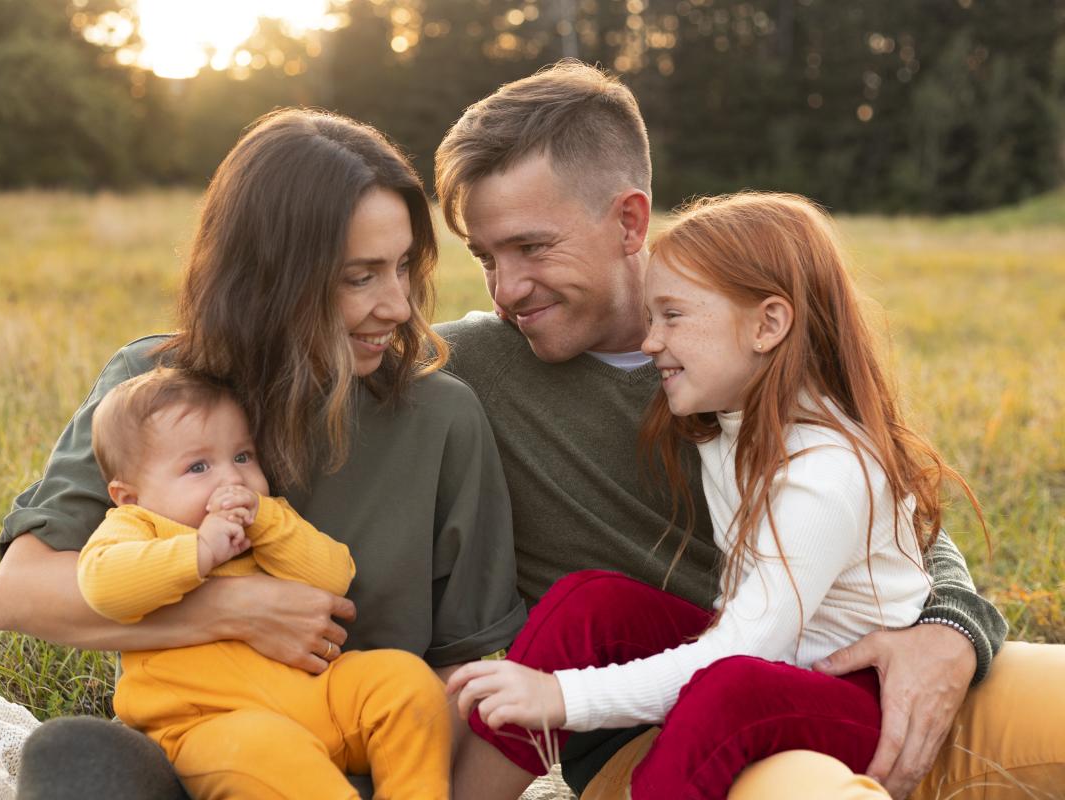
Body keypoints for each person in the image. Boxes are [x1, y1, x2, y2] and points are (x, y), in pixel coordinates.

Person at [432, 61, 1064, 799]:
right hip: (676, 716)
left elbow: (897, 518)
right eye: (484, 256)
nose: (506, 290)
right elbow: (305, 358)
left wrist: (950, 630)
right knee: (744, 722)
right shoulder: (470, 363)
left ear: (630, 221)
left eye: (533, 248)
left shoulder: (747, 371)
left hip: (836, 669)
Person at [0, 109, 526, 799]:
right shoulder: (156, 390)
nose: (396, 305)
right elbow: (20, 593)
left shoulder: (443, 418)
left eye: (401, 268)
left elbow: (457, 674)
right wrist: (234, 608)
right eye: (359, 277)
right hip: (201, 759)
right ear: (271, 278)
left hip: (363, 766)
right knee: (74, 754)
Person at [79, 366, 449, 798]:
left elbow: (335, 576)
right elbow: (103, 586)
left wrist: (268, 522)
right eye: (198, 467)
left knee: (406, 682)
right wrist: (198, 553)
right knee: (268, 754)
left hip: (321, 695)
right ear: (130, 495)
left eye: (242, 456)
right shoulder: (138, 525)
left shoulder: (267, 519)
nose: (232, 479)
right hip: (213, 724)